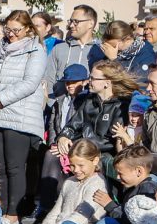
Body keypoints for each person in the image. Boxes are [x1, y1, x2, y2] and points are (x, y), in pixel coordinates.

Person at [0, 10, 47, 224]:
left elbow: (30, 82)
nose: (11, 34)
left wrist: (1, 99)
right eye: (8, 29)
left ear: (27, 29)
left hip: (19, 114)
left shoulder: (35, 49)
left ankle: (13, 213)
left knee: (15, 167)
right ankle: (0, 210)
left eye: (15, 30)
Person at [11, 139, 107, 224]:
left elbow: (81, 217)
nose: (76, 170)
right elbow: (57, 209)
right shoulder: (69, 182)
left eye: (81, 165)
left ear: (95, 161)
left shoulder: (97, 183)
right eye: (72, 165)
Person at [55, 60, 139, 193]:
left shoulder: (121, 105)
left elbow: (112, 141)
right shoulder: (89, 100)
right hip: (82, 148)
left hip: (103, 153)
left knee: (101, 162)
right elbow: (72, 125)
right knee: (52, 155)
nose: (89, 81)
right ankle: (51, 204)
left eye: (93, 78)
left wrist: (80, 145)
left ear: (107, 83)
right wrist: (64, 137)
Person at [32, 64, 90, 224]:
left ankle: (48, 207)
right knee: (49, 154)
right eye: (67, 82)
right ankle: (45, 205)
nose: (70, 85)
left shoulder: (86, 101)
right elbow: (52, 125)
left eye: (74, 82)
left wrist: (69, 146)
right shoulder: (60, 101)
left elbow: (83, 127)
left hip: (77, 147)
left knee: (52, 158)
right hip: (59, 146)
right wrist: (55, 143)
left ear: (85, 82)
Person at [45, 5, 101, 108]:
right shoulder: (59, 48)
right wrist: (52, 104)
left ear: (91, 23)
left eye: (76, 21)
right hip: (60, 112)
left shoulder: (101, 51)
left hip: (89, 111)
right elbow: (48, 79)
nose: (71, 25)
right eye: (70, 21)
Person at [97, 20, 157, 86]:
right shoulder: (112, 54)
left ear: (127, 40)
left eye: (114, 46)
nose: (110, 49)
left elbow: (136, 82)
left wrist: (114, 60)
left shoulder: (146, 55)